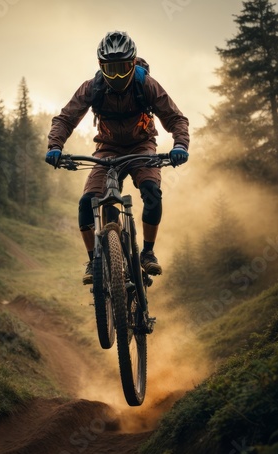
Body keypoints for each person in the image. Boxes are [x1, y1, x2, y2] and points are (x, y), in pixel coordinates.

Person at [45, 31, 189, 285]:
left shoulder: (146, 85)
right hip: (107, 149)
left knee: (151, 192)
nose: (118, 75)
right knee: (86, 203)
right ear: (101, 67)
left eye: (123, 67)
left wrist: (180, 144)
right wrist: (55, 146)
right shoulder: (92, 88)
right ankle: (93, 262)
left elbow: (176, 118)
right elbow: (66, 118)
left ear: (133, 63)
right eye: (111, 69)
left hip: (142, 147)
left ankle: (147, 252)